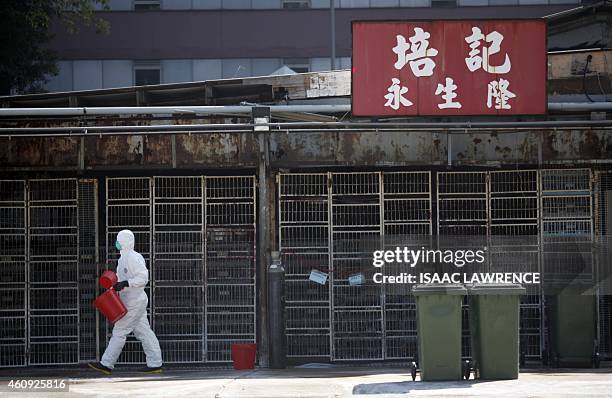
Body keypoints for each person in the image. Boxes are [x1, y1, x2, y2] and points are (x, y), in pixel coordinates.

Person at [89, 229, 163, 374]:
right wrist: (114, 283)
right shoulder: (122, 258)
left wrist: (125, 283)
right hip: (131, 300)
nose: (116, 243)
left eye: (119, 240)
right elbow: (120, 277)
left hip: (134, 301)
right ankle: (155, 363)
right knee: (144, 332)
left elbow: (143, 278)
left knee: (120, 331)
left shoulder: (134, 258)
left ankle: (107, 363)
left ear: (125, 241)